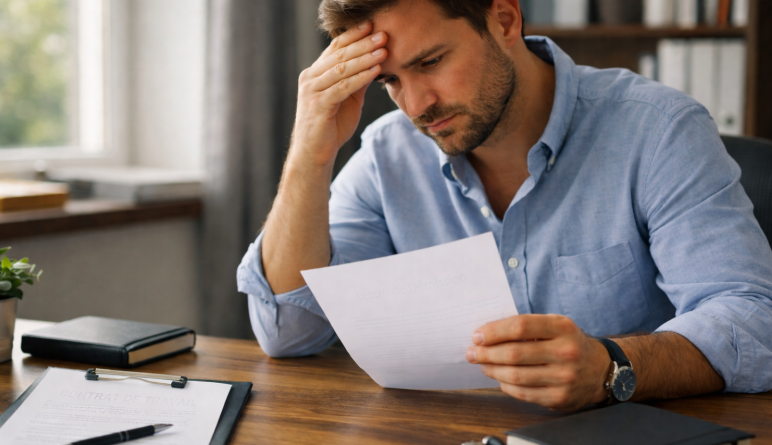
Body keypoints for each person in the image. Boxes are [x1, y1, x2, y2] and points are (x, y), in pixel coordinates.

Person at [237, 0, 772, 411]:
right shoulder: (386, 155)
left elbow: (753, 322)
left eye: (431, 61)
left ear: (505, 20)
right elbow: (289, 332)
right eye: (390, 80)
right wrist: (309, 153)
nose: (416, 105)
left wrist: (611, 367)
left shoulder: (658, 131)